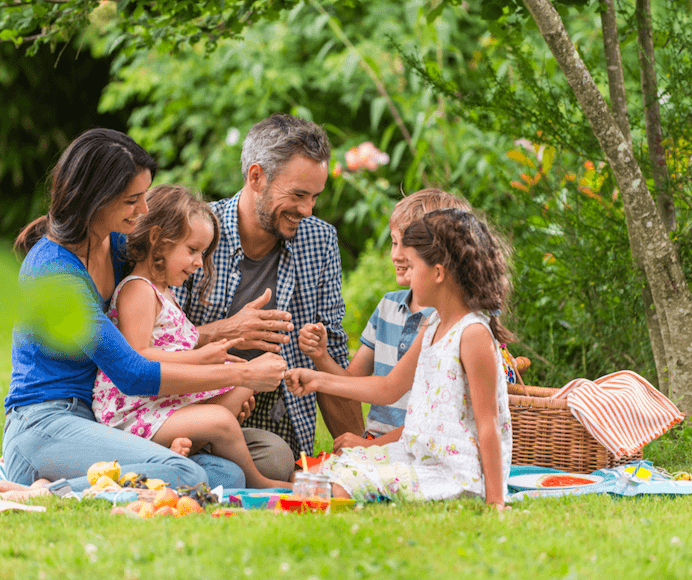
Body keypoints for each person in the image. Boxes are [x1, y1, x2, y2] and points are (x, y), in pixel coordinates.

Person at [3, 128, 286, 493]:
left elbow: (160, 334)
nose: (144, 210)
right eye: (132, 199)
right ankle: (44, 490)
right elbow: (132, 372)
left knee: (226, 476)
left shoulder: (117, 247)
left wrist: (227, 331)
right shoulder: (53, 271)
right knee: (187, 476)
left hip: (100, 420)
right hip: (44, 423)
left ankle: (100, 475)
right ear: (94, 198)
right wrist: (241, 375)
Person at [173, 114, 363, 479]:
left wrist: (359, 451)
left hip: (271, 419)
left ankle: (192, 468)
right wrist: (228, 331)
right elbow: (151, 346)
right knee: (269, 464)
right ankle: (183, 459)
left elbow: (333, 356)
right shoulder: (194, 233)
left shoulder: (319, 241)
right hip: (188, 406)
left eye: (315, 197)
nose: (307, 210)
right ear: (256, 177)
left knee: (276, 459)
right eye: (297, 195)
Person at [285, 209, 515, 510]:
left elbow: (488, 424)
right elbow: (388, 388)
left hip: (454, 474)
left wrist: (495, 500)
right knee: (309, 477)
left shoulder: (472, 334)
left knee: (329, 490)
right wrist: (317, 379)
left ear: (438, 272)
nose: (406, 274)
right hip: (415, 455)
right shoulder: (434, 324)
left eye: (412, 266)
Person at [92, 184, 291, 489]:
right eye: (192, 250)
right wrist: (200, 357)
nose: (199, 263)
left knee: (241, 386)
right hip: (134, 412)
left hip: (161, 404)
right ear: (158, 240)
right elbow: (137, 356)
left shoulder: (165, 293)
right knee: (222, 420)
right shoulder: (138, 290)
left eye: (203, 252)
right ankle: (258, 481)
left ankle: (183, 450)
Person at [298, 189, 483, 453]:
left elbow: (431, 420)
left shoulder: (449, 321)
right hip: (377, 442)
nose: (396, 255)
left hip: (417, 445)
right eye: (394, 243)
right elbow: (354, 386)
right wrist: (321, 357)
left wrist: (367, 447)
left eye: (407, 247)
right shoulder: (387, 307)